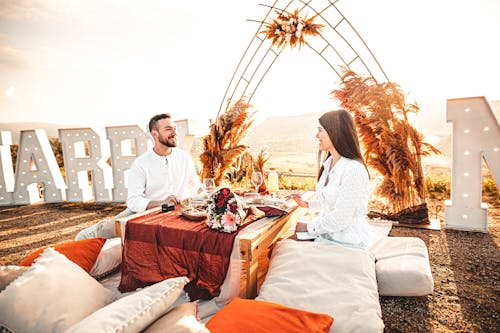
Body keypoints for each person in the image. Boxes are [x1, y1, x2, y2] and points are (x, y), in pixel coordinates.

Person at [75, 113, 202, 240]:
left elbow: (195, 184)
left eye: (174, 128)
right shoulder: (141, 163)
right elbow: (133, 201)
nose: (174, 132)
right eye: (168, 129)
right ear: (155, 134)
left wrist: (208, 192)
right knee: (86, 236)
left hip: (174, 213)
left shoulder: (184, 157)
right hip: (141, 212)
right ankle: (96, 230)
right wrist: (160, 203)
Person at [287, 109, 371, 249]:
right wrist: (307, 204)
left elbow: (341, 218)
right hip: (328, 234)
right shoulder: (329, 164)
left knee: (282, 250)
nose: (317, 135)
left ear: (334, 132)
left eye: (320, 130)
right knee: (277, 249)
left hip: (347, 242)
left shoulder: (354, 170)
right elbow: (333, 202)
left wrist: (308, 227)